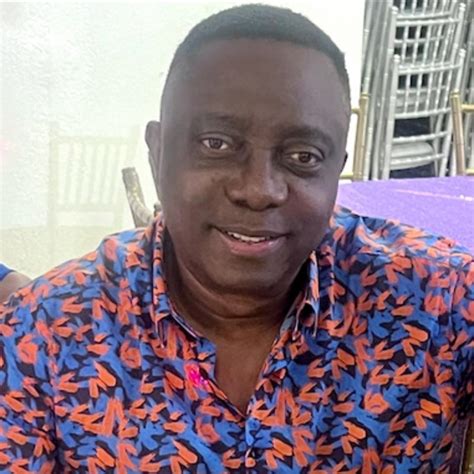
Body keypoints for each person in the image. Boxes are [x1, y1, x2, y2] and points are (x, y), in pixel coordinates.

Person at [0, 5, 472, 473]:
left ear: (336, 170)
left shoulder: (438, 303)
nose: (258, 190)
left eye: (304, 156)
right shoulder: (42, 339)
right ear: (158, 153)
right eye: (217, 144)